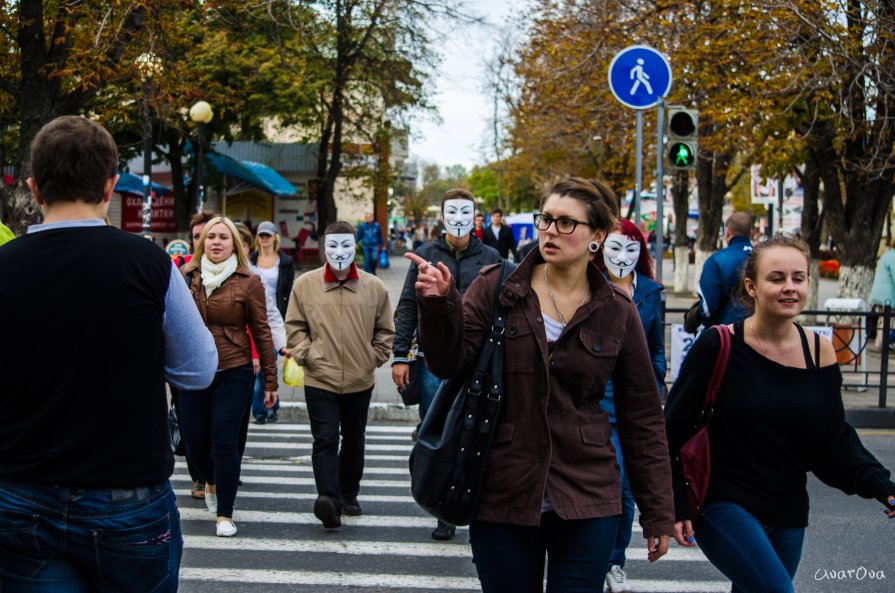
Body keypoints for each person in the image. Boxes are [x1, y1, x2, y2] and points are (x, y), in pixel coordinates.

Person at [409, 177, 674, 592]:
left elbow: (642, 417)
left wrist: (658, 510)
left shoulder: (618, 312)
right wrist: (440, 305)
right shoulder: (497, 286)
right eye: (546, 220)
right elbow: (448, 363)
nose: (551, 231)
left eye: (567, 223)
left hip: (588, 494)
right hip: (503, 491)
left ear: (597, 236)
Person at [0, 115, 217, 591]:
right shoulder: (150, 264)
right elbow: (199, 372)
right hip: (126, 493)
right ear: (110, 186)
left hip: (20, 490)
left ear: (35, 188)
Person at [665, 234, 895, 593]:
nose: (790, 288)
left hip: (788, 510)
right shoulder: (718, 344)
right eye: (777, 278)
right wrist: (673, 504)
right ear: (751, 287)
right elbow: (671, 432)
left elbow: (833, 440)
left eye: (798, 278)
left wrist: (883, 487)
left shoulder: (819, 351)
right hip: (723, 502)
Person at [392, 189, 501, 541]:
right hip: (431, 361)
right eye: (451, 211)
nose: (458, 218)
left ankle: (475, 499)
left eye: (464, 211)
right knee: (436, 427)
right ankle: (443, 508)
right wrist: (399, 356)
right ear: (442, 215)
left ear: (474, 215)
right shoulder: (424, 255)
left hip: (477, 361)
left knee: (476, 429)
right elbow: (408, 305)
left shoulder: (490, 257)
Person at [286, 221, 395, 529]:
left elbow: (385, 329)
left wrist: (373, 358)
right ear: (324, 248)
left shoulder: (374, 287)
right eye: (333, 245)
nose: (339, 252)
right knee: (325, 439)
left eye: (346, 245)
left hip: (360, 380)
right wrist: (307, 355)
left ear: (356, 246)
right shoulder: (305, 285)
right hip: (320, 378)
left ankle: (349, 494)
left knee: (354, 440)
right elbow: (295, 327)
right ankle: (329, 500)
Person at [179, 216, 279, 538]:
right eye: (211, 237)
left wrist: (270, 381)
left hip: (234, 369)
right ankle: (209, 478)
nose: (217, 242)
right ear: (202, 242)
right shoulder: (187, 277)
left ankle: (225, 513)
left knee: (224, 438)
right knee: (195, 444)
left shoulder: (249, 281)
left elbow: (262, 332)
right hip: (194, 371)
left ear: (233, 242)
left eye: (223, 237)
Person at [595, 218, 666, 593]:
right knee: (596, 484)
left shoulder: (652, 292)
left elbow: (656, 346)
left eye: (631, 248)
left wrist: (654, 380)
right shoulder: (589, 286)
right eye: (614, 247)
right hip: (595, 400)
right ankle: (585, 556)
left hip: (633, 404)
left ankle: (613, 562)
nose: (621, 256)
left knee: (623, 488)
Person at [234, 222, 288, 459]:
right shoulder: (198, 274)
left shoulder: (254, 276)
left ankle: (223, 475)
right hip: (209, 360)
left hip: (247, 347)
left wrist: (284, 343)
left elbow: (270, 313)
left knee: (232, 422)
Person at [249, 220, 295, 423]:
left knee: (270, 363)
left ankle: (267, 407)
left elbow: (288, 291)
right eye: (261, 235)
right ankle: (263, 409)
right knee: (260, 368)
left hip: (275, 318)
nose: (265, 239)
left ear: (275, 237)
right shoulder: (250, 260)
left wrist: (286, 320)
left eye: (268, 235)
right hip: (254, 319)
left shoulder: (285, 261)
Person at [696, 212, 753, 328]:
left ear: (727, 232)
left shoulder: (716, 260)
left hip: (728, 333)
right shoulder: (765, 258)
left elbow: (709, 308)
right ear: (750, 233)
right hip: (765, 333)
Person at [868, 236, 895, 350]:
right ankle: (886, 344)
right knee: (890, 319)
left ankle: (880, 343)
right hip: (888, 296)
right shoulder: (893, 256)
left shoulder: (886, 254)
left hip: (879, 294)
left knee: (883, 319)